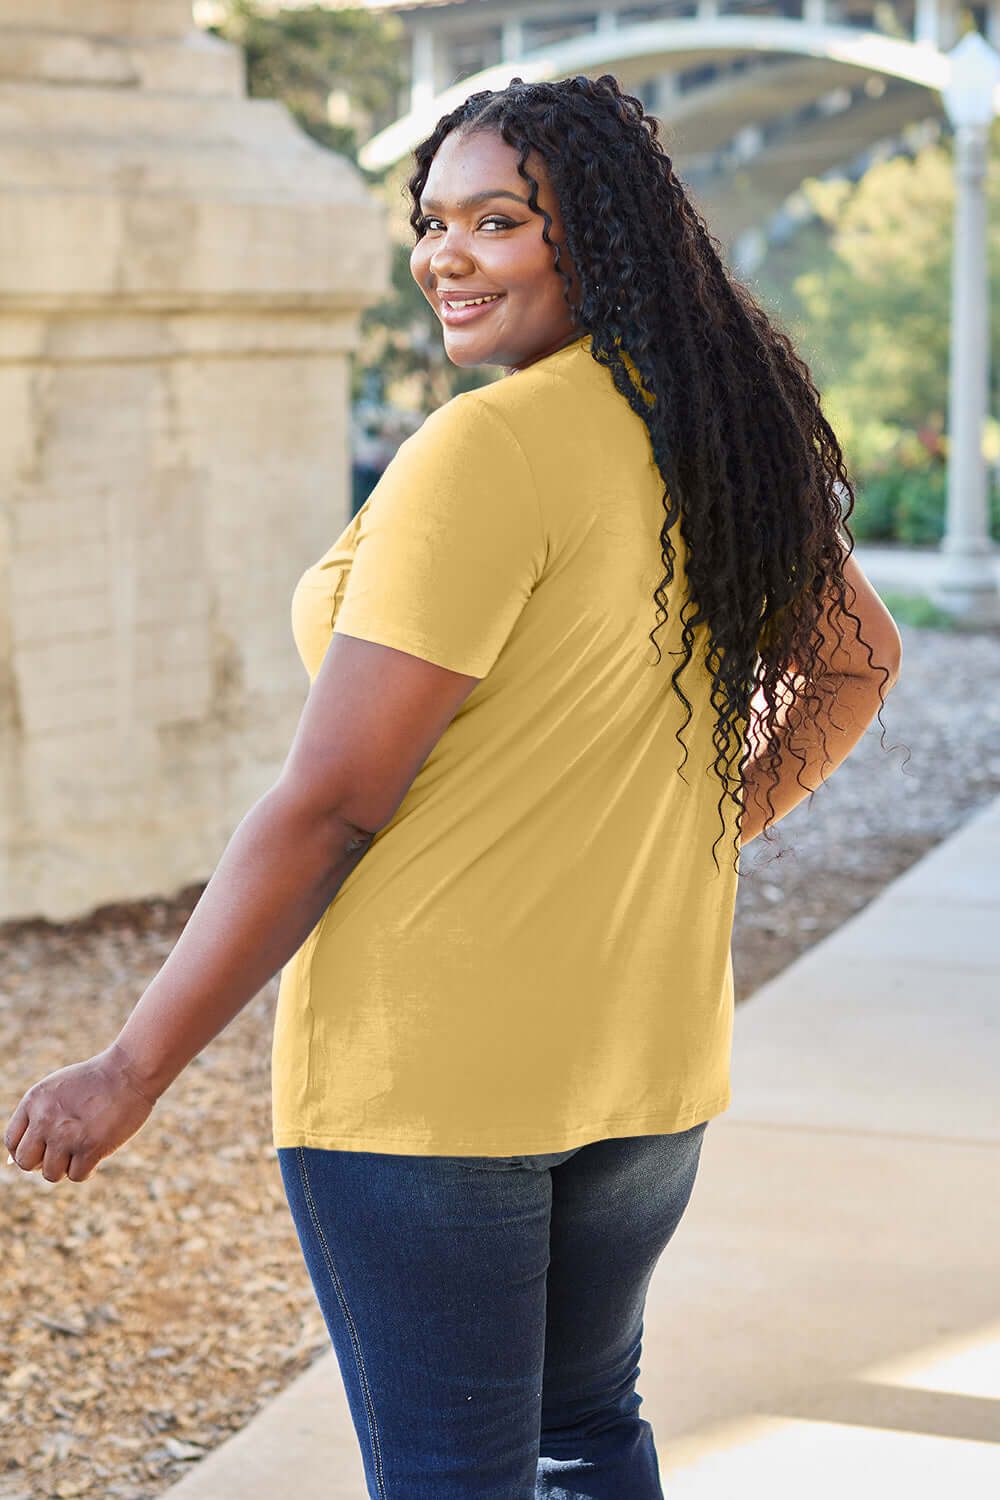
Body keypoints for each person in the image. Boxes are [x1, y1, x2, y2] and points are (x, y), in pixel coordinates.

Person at [5, 74, 901, 1500]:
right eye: (432, 221)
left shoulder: (484, 453)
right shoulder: (712, 428)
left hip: (433, 1083)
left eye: (497, 220)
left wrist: (132, 1069)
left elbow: (330, 804)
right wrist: (696, 826)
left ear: (596, 237)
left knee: (451, 1477)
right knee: (588, 1432)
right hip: (643, 1058)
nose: (446, 256)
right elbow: (859, 656)